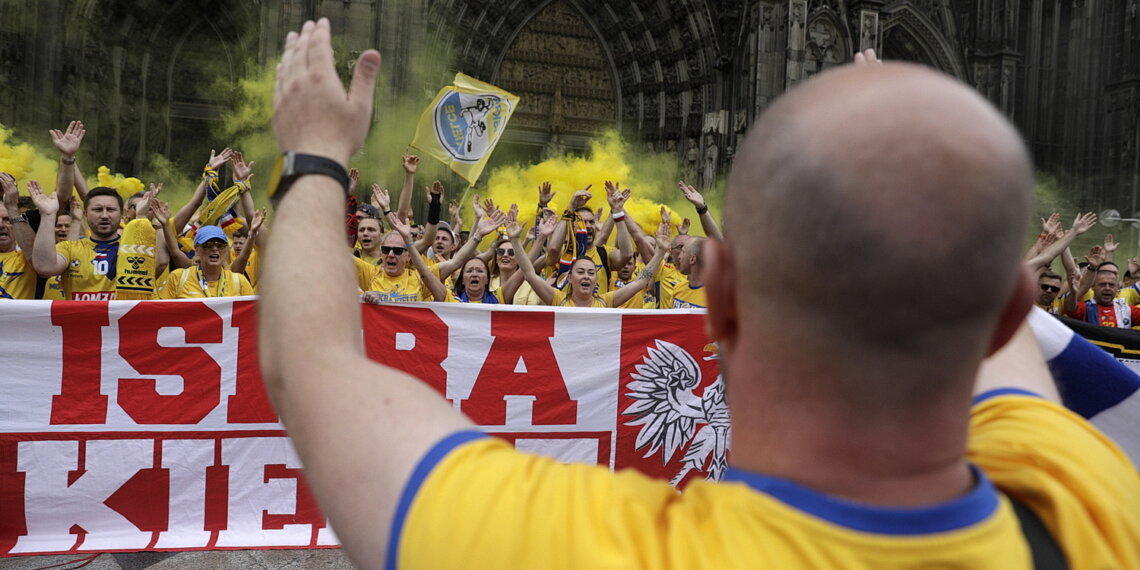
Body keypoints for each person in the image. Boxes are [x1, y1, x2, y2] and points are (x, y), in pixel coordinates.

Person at [260, 23, 1140, 569]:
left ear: (718, 297)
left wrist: (316, 155)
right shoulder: (1091, 502)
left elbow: (312, 362)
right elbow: (992, 315)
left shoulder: (583, 550)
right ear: (1014, 313)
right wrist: (901, 130)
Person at [158, 225, 254, 298]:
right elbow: (160, 312)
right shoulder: (178, 278)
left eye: (220, 245)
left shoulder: (239, 282)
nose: (215, 249)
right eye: (208, 245)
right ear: (197, 250)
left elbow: (253, 316)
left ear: (226, 250)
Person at [1063, 264, 1140, 327]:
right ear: (1093, 286)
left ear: (1117, 288)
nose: (1107, 288)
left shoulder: (1127, 310)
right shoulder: (1085, 308)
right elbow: (1070, 309)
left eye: (1111, 285)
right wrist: (1073, 293)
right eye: (1102, 284)